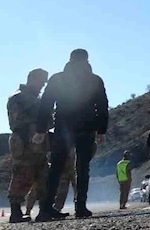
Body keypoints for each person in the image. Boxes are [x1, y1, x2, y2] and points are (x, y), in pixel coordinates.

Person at [36, 49, 109, 221]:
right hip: (86, 128)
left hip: (63, 127)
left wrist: (41, 129)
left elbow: (45, 104)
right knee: (83, 168)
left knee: (55, 168)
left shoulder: (58, 78)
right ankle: (81, 207)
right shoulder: (94, 80)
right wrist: (102, 130)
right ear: (87, 60)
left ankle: (46, 209)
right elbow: (102, 106)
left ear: (70, 59)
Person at [7, 69, 52, 223]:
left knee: (43, 174)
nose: (42, 85)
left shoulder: (34, 98)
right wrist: (41, 118)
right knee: (22, 174)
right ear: (32, 79)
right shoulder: (19, 97)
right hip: (24, 141)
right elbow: (17, 120)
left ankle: (44, 209)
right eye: (41, 81)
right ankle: (16, 212)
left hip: (38, 143)